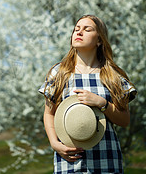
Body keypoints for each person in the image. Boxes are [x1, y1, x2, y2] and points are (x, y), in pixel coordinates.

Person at [39, 14, 137, 174]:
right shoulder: (59, 73)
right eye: (76, 29)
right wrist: (54, 143)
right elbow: (49, 113)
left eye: (87, 29)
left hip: (106, 159)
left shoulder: (112, 76)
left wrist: (102, 104)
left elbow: (125, 120)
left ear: (99, 40)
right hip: (69, 160)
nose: (79, 32)